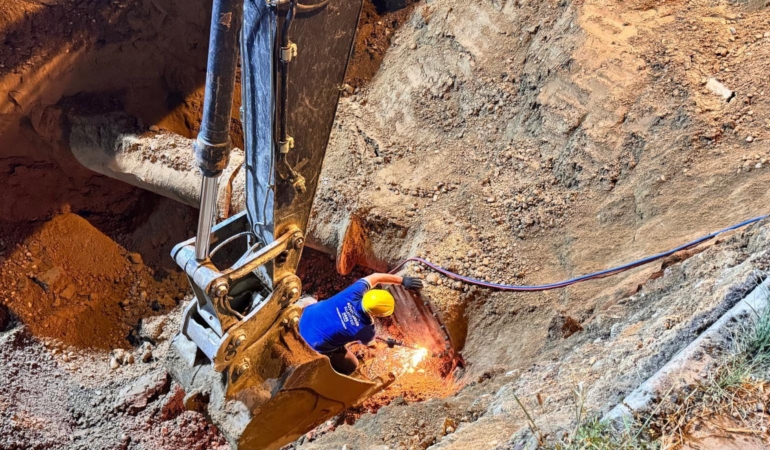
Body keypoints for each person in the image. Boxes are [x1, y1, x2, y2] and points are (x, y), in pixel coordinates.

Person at [298, 273, 424, 375]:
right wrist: (387, 344)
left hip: (303, 317)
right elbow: (373, 346)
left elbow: (376, 277)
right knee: (352, 365)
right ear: (379, 315)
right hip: (311, 345)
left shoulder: (354, 293)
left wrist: (403, 280)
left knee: (310, 301)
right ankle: (328, 370)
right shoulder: (366, 328)